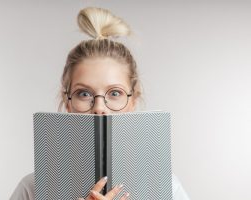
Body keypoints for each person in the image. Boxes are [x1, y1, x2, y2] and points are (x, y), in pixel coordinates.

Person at [10, 7, 190, 200]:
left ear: (133, 101)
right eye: (84, 93)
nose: (99, 108)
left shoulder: (168, 189)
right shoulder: (32, 188)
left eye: (114, 93)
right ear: (67, 102)